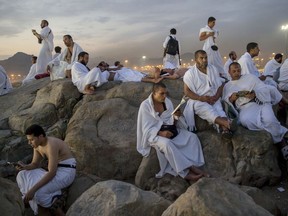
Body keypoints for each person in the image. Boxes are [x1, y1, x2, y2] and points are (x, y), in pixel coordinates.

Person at [137, 82, 207, 181]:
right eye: (162, 93)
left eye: (166, 93)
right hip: (154, 134)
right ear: (154, 93)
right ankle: (186, 172)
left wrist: (176, 116)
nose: (165, 96)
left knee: (192, 137)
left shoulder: (167, 102)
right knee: (167, 144)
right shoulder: (145, 106)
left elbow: (170, 120)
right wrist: (161, 133)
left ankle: (193, 163)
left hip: (169, 130)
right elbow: (145, 128)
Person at [223, 62, 288, 160]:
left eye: (238, 70)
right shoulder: (227, 86)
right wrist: (233, 97)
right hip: (245, 108)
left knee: (269, 119)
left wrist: (255, 93)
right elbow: (226, 101)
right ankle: (281, 137)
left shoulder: (250, 77)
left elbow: (263, 87)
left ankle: (283, 145)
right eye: (234, 71)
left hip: (260, 102)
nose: (237, 73)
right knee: (246, 121)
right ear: (229, 72)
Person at [16, 124, 76, 215]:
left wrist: (33, 190)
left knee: (38, 193)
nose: (29, 143)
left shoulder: (51, 144)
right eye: (28, 140)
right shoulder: (37, 146)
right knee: (22, 175)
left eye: (31, 139)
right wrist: (24, 167)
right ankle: (44, 196)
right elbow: (35, 164)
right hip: (53, 170)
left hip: (66, 172)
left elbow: (52, 172)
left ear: (40, 136)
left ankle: (52, 200)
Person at [183, 50, 232, 134]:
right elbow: (187, 92)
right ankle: (226, 123)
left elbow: (220, 85)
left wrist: (216, 97)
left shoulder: (213, 69)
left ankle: (225, 130)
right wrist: (200, 98)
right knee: (208, 110)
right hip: (198, 100)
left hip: (213, 98)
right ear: (196, 60)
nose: (204, 60)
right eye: (201, 58)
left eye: (206, 57)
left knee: (220, 110)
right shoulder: (190, 74)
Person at [98, 61, 164, 83]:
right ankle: (153, 80)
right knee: (132, 76)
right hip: (119, 76)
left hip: (120, 73)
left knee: (133, 73)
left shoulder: (109, 68)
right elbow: (117, 68)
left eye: (105, 63)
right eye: (103, 63)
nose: (105, 64)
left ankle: (153, 76)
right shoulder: (102, 71)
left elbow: (118, 68)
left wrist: (119, 68)